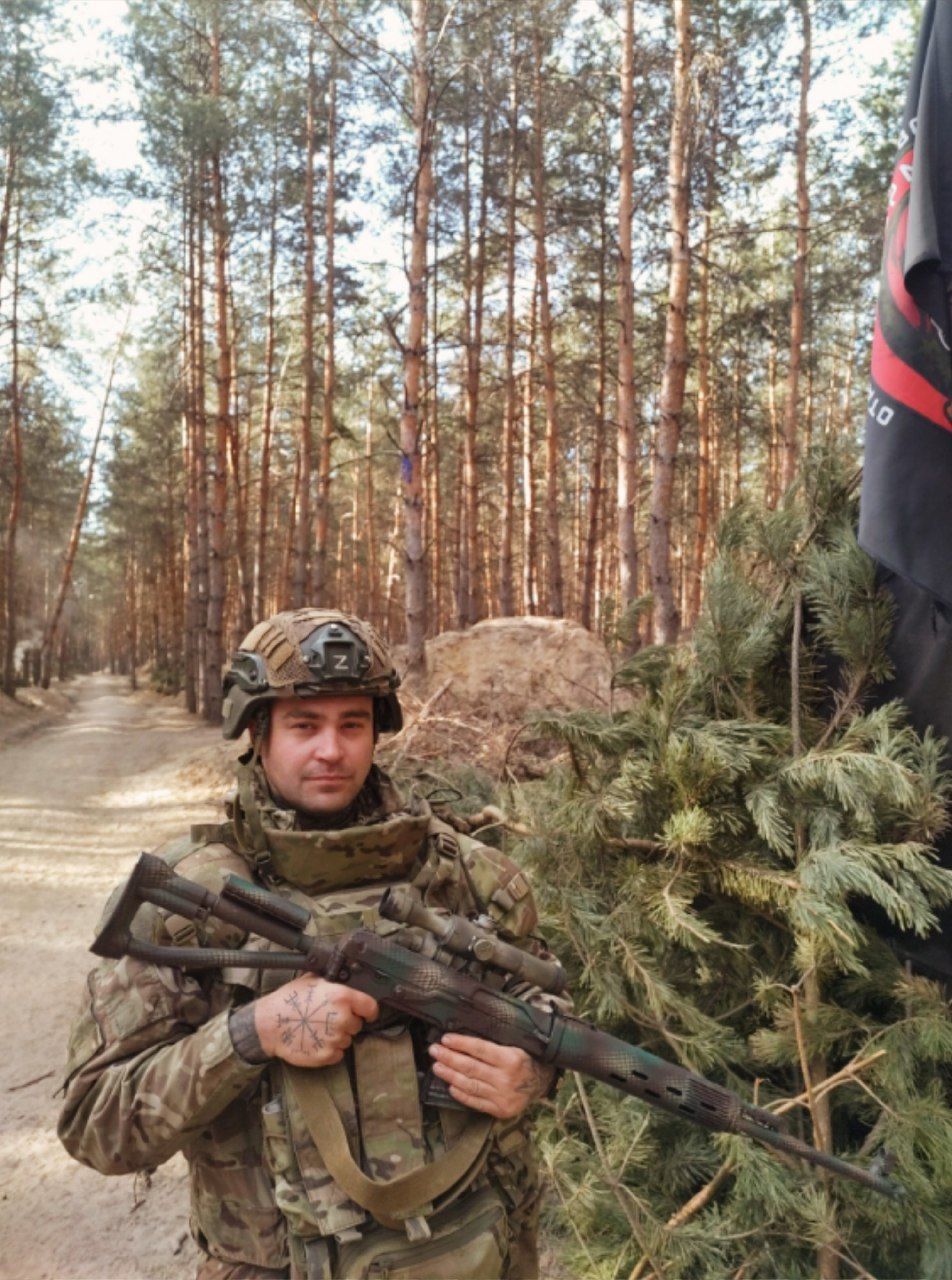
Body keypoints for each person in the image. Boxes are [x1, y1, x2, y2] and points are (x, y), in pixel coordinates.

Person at [58, 609, 559, 1280]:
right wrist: (251, 1033)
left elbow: (550, 1015)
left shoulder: (468, 877)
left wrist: (533, 1074)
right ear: (256, 733)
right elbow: (96, 1122)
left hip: (478, 1253)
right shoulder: (193, 901)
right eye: (304, 725)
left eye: (352, 724)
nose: (332, 750)